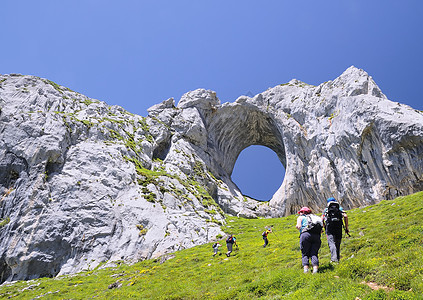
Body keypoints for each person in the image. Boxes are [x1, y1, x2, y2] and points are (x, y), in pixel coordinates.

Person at [321, 197, 349, 263]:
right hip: (338, 227)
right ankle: (338, 259)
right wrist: (346, 227)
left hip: (330, 227)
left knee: (331, 242)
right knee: (337, 243)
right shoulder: (339, 208)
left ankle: (334, 259)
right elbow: (345, 216)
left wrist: (324, 227)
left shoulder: (326, 209)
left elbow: (321, 219)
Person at [296, 206, 323, 274]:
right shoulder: (315, 218)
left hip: (305, 235)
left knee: (305, 253)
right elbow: (321, 231)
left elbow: (298, 226)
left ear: (302, 212)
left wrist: (299, 228)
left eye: (300, 212)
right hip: (316, 236)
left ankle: (306, 270)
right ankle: (315, 270)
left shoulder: (301, 217)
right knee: (314, 253)